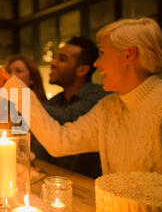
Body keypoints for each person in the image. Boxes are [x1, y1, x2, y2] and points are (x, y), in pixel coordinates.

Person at [2, 17, 162, 184]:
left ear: (128, 55)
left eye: (103, 53)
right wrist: (20, 94)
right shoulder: (109, 107)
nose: (97, 63)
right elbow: (58, 142)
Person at [33, 36, 110, 178]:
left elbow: (68, 116)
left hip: (89, 188)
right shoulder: (57, 100)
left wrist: (21, 98)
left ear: (82, 70)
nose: (52, 63)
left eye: (62, 59)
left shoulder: (100, 96)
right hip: (57, 183)